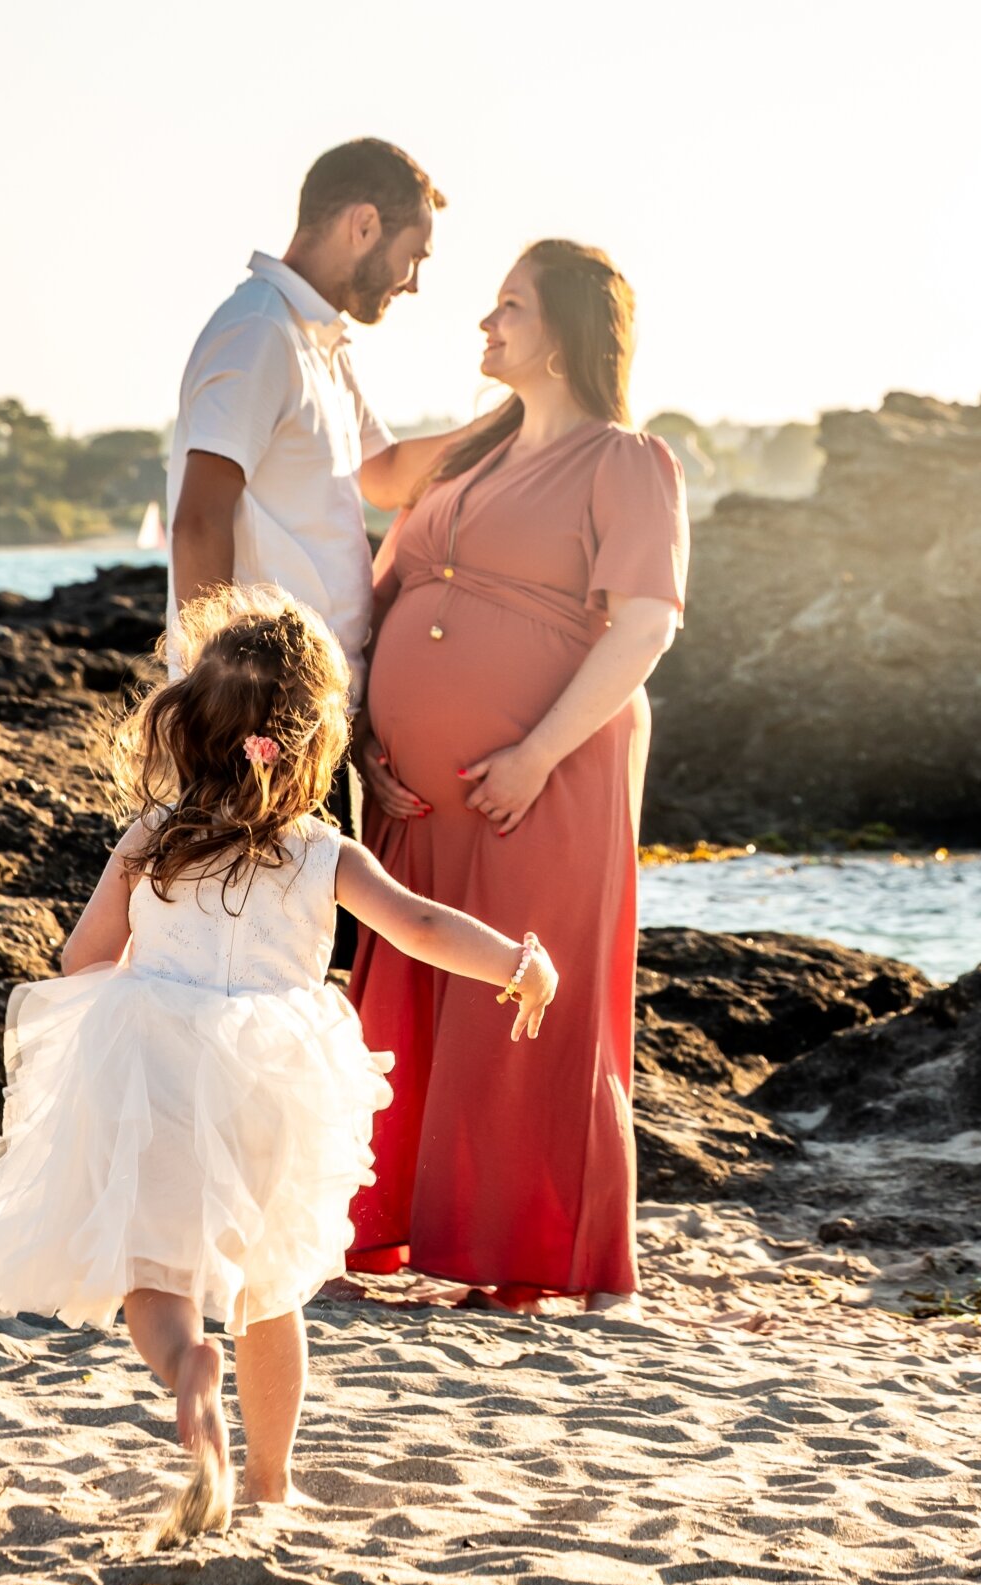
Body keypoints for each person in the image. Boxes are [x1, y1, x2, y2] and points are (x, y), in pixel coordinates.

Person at [0, 586, 557, 1540]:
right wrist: (518, 963)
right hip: (274, 1078)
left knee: (155, 1274)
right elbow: (422, 927)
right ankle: (272, 1482)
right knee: (272, 1287)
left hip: (150, 1061)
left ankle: (188, 1367)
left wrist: (153, 963)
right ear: (318, 740)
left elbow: (79, 959)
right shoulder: (325, 852)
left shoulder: (152, 839)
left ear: (189, 727)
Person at [349, 239, 690, 1314]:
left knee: (527, 1004)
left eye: (509, 307)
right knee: (416, 994)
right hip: (413, 788)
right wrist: (365, 742)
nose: (485, 325)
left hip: (545, 781)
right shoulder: (469, 457)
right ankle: (411, 1230)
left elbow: (643, 624)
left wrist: (536, 753)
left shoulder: (624, 461)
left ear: (567, 332)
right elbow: (375, 559)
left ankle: (534, 1256)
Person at [166, 137, 474, 963]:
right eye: (414, 258)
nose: (413, 282)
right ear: (364, 224)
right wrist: (216, 710)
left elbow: (384, 475)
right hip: (253, 723)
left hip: (313, 717)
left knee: (303, 973)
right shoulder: (257, 333)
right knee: (252, 974)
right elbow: (198, 519)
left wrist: (527, 416)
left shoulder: (320, 344)